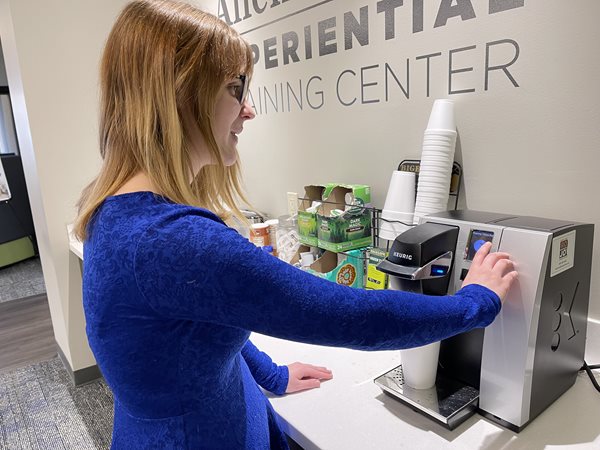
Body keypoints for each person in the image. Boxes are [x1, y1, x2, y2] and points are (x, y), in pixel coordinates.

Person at [74, 1, 518, 449]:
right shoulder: (174, 241)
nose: (248, 111)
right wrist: (475, 302)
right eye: (234, 89)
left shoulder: (112, 212)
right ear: (179, 95)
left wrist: (271, 372)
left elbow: (199, 325)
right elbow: (352, 317)